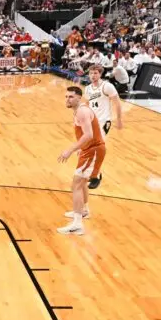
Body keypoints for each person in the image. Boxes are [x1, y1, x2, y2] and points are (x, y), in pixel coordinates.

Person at [57, 86, 106, 236]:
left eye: (71, 97)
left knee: (76, 184)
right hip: (89, 150)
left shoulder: (82, 111)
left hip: (93, 150)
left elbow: (89, 135)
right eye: (66, 96)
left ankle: (77, 225)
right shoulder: (79, 111)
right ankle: (83, 211)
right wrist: (81, 148)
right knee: (81, 182)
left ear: (79, 97)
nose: (67, 99)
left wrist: (70, 150)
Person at [83, 65, 122, 190]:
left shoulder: (107, 86)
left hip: (104, 121)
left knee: (97, 147)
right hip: (91, 122)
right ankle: (92, 172)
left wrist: (119, 119)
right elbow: (88, 104)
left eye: (95, 73)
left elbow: (117, 102)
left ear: (100, 74)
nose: (93, 76)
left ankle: (96, 176)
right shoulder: (88, 88)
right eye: (91, 73)